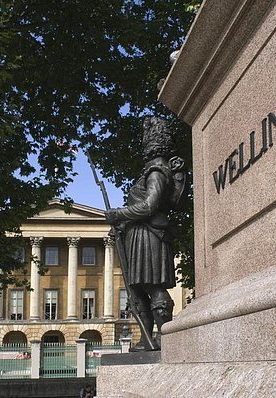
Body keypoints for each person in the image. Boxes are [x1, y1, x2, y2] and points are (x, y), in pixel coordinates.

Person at [105, 117, 185, 350]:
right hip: (138, 234)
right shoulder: (155, 171)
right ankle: (146, 340)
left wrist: (118, 214)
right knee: (137, 289)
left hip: (149, 235)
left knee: (153, 286)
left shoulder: (156, 172)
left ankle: (165, 337)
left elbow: (149, 206)